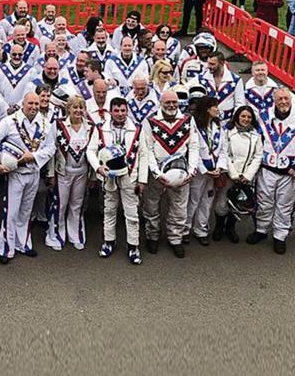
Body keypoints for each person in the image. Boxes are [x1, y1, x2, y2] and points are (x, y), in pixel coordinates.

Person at [247, 87, 295, 255]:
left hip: (290, 173)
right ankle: (261, 230)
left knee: (284, 206)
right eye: (279, 99)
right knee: (263, 202)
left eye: (286, 98)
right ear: (274, 100)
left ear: (291, 100)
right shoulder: (263, 116)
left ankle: (280, 236)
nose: (283, 102)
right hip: (266, 170)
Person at [0, 92, 56, 264]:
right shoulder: (10, 121)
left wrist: (33, 157)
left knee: (26, 211)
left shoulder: (46, 124)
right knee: (11, 212)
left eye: (36, 104)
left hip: (34, 172)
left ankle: (23, 243)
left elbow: (51, 148)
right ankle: (5, 248)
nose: (33, 107)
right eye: (30, 103)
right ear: (23, 103)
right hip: (15, 174)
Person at [87, 96, 148, 263]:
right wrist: (98, 168)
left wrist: (142, 180)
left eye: (123, 110)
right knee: (109, 210)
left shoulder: (137, 128)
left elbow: (144, 154)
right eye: (116, 110)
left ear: (127, 110)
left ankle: (133, 246)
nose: (120, 114)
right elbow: (90, 151)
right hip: (108, 176)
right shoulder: (100, 129)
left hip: (130, 176)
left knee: (131, 213)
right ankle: (108, 242)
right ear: (110, 111)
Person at [140, 89, 199, 258]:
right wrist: (157, 173)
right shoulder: (150, 121)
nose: (172, 105)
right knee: (151, 205)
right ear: (161, 103)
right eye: (168, 102)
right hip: (157, 172)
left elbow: (194, 146)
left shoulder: (188, 120)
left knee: (179, 208)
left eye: (174, 102)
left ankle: (175, 239)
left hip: (182, 173)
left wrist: (191, 170)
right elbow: (148, 149)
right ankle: (153, 235)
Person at [44, 95, 91, 251]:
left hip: (82, 172)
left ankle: (76, 234)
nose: (78, 110)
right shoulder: (58, 126)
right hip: (63, 172)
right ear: (68, 109)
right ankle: (56, 235)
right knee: (60, 204)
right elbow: (51, 150)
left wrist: (94, 176)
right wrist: (50, 174)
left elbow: (94, 152)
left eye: (80, 107)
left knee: (77, 204)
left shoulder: (90, 127)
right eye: (74, 107)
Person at [215, 105, 261, 242]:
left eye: (249, 117)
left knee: (238, 203)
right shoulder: (227, 133)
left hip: (246, 177)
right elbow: (225, 154)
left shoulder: (256, 136)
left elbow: (258, 156)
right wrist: (234, 174)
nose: (246, 119)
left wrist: (247, 176)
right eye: (243, 116)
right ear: (237, 117)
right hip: (230, 175)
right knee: (222, 203)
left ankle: (230, 228)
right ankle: (219, 226)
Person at [183, 96, 223, 245]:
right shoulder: (194, 126)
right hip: (200, 171)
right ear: (207, 109)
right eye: (215, 106)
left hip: (214, 170)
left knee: (207, 200)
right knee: (193, 200)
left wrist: (219, 167)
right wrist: (204, 169)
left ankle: (201, 229)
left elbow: (223, 149)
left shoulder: (218, 125)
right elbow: (193, 150)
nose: (218, 109)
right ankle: (185, 230)